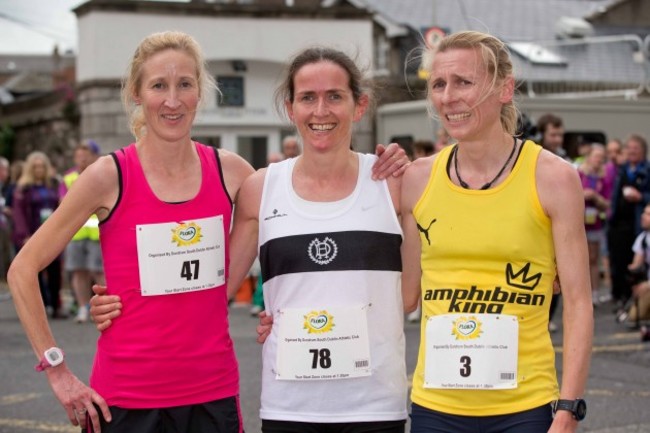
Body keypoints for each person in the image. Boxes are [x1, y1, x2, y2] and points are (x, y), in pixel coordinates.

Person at [93, 46, 411, 433]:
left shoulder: (395, 183)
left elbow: (410, 296)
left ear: (359, 106)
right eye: (308, 97)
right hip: (290, 405)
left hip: (374, 405)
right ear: (290, 107)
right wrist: (123, 300)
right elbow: (212, 286)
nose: (321, 111)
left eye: (335, 97)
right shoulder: (261, 187)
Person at [8, 31, 256, 433]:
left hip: (212, 396)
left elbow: (304, 213)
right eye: (159, 85)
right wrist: (56, 369)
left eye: (185, 85)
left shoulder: (233, 171)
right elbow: (23, 269)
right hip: (123, 402)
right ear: (137, 94)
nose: (172, 100)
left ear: (200, 92)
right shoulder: (108, 175)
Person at [400, 31, 593, 433]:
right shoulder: (415, 179)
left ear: (505, 89)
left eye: (463, 82)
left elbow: (577, 301)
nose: (448, 97)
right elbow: (402, 296)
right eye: (438, 84)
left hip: (526, 407)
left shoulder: (554, 178)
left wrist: (569, 408)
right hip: (435, 407)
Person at [11, 151, 64, 319]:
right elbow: (18, 214)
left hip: (52, 235)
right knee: (36, 273)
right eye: (35, 167)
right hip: (32, 235)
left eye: (42, 166)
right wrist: (24, 235)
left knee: (55, 271)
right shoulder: (23, 189)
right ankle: (41, 308)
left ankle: (55, 305)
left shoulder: (53, 185)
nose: (39, 169)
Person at [59, 140, 105, 323]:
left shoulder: (102, 175)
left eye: (86, 155)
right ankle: (82, 307)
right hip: (75, 233)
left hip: (97, 234)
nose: (82, 159)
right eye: (79, 156)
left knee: (98, 271)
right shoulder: (68, 178)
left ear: (95, 156)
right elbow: (63, 204)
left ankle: (103, 307)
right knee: (78, 272)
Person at [607, 134, 650, 312]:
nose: (631, 151)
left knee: (637, 264)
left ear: (643, 151)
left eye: (635, 148)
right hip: (619, 224)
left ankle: (637, 302)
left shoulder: (647, 170)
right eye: (629, 148)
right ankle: (620, 297)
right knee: (618, 262)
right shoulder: (622, 170)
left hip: (639, 224)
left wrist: (641, 197)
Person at [577, 144, 611, 305]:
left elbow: (607, 203)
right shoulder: (578, 174)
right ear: (589, 156)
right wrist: (583, 195)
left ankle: (595, 293)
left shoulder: (604, 178)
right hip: (579, 223)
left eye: (602, 157)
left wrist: (595, 197)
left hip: (595, 223)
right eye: (597, 156)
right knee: (579, 259)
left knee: (594, 259)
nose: (599, 160)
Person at [624, 203, 650, 332]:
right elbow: (636, 265)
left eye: (648, 214)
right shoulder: (643, 238)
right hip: (647, 287)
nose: (643, 216)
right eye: (644, 213)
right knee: (634, 318)